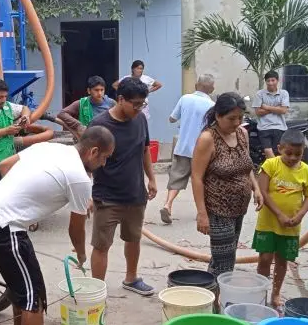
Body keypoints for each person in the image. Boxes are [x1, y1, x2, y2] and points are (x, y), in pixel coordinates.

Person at [0, 126, 115, 325]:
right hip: (5, 226)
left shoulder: (52, 148)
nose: (104, 163)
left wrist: (21, 202)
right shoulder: (79, 178)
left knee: (32, 289)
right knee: (32, 299)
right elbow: (76, 230)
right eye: (104, 158)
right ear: (93, 151)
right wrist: (82, 254)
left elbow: (5, 166)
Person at [89, 77, 157, 296]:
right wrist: (84, 194)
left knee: (133, 238)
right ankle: (97, 292)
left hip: (135, 193)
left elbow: (145, 149)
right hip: (107, 196)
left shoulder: (140, 120)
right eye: (135, 104)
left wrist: (152, 178)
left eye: (142, 104)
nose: (138, 109)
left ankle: (131, 278)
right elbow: (85, 159)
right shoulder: (100, 125)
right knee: (101, 246)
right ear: (120, 99)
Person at [192, 93, 263, 276]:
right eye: (231, 118)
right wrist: (202, 214)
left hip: (239, 208)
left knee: (226, 258)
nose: (237, 122)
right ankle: (215, 301)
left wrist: (255, 188)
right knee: (223, 263)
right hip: (218, 210)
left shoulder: (242, 134)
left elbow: (246, 164)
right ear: (218, 116)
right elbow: (197, 177)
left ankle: (213, 298)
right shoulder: (208, 138)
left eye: (240, 117)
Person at [253, 129, 308, 308]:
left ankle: (275, 293)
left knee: (282, 261)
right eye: (288, 153)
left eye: (297, 154)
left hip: (290, 226)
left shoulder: (305, 171)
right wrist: (279, 214)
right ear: (279, 148)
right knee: (265, 259)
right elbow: (263, 191)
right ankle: (261, 293)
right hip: (268, 223)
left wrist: (299, 215)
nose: (292, 158)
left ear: (303, 152)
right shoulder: (270, 165)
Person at [160, 73, 216, 225]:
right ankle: (202, 212)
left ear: (197, 85)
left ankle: (168, 204)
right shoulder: (212, 106)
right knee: (202, 180)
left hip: (183, 147)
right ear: (211, 88)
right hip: (202, 150)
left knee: (177, 177)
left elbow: (172, 118)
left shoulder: (185, 99)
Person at [252, 70, 290, 159]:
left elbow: (283, 110)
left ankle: (275, 170)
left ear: (277, 80)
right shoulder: (260, 94)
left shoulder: (284, 93)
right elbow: (258, 112)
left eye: (273, 80)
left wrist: (266, 107)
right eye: (268, 81)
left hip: (279, 127)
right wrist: (277, 108)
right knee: (268, 150)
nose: (270, 83)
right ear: (266, 82)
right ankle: (274, 170)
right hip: (264, 127)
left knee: (278, 151)